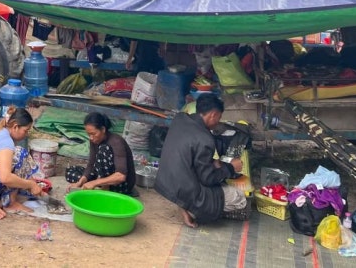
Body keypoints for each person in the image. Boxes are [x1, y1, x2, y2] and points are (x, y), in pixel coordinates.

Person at [154, 94, 247, 227]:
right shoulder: (205, 139)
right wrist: (231, 168)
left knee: (213, 170)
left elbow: (188, 155)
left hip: (167, 183)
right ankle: (194, 210)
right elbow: (207, 179)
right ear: (213, 114)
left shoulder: (180, 118)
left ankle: (184, 204)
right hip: (184, 189)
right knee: (240, 198)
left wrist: (214, 163)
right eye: (219, 118)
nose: (218, 122)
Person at [77, 112, 136, 194]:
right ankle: (100, 184)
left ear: (103, 130)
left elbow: (121, 176)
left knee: (103, 149)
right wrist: (81, 182)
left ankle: (104, 187)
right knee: (72, 172)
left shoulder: (116, 142)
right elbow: (91, 163)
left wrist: (94, 183)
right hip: (103, 177)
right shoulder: (94, 140)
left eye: (93, 134)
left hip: (121, 185)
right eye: (88, 134)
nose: (91, 138)